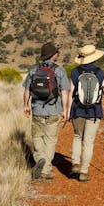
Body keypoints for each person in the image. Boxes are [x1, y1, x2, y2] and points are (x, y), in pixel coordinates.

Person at [66, 44, 104, 182]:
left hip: (77, 110)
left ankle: (75, 163)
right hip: (94, 112)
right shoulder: (100, 73)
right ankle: (84, 172)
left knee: (77, 137)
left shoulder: (75, 72)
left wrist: (68, 112)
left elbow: (71, 93)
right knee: (88, 142)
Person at [23, 42, 71, 180]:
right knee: (50, 140)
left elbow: (27, 90)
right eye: (57, 53)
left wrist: (25, 105)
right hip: (53, 110)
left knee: (37, 137)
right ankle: (45, 170)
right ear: (53, 55)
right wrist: (65, 110)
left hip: (37, 109)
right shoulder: (59, 70)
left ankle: (40, 159)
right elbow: (65, 92)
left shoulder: (33, 70)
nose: (58, 54)